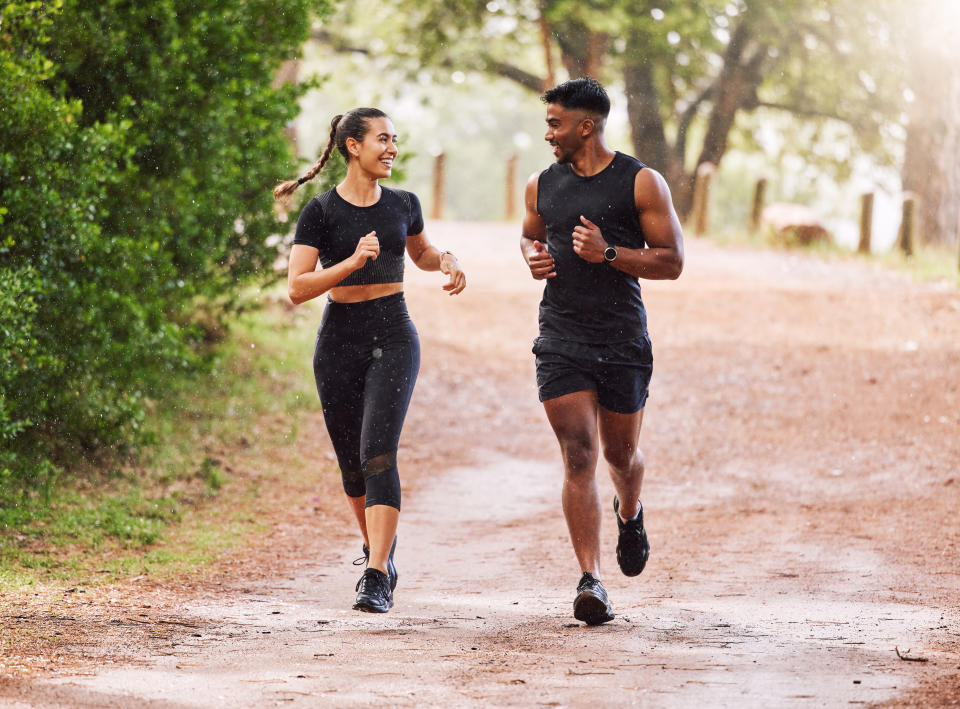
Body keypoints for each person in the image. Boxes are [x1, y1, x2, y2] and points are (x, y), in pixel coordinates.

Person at [274, 107, 466, 613]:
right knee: (352, 467)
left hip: (394, 334)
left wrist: (444, 259)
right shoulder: (320, 211)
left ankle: (377, 573)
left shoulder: (403, 202)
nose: (392, 149)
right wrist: (353, 263)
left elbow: (419, 253)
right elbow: (297, 288)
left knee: (378, 451)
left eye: (395, 140)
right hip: (338, 338)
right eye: (382, 139)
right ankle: (378, 549)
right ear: (352, 146)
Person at [519, 78, 683, 625]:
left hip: (621, 338)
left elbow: (672, 261)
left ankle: (630, 511)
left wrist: (609, 252)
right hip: (561, 335)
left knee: (619, 456)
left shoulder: (641, 182)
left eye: (555, 124)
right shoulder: (541, 185)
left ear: (585, 126)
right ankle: (591, 580)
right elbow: (529, 234)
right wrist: (532, 254)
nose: (548, 134)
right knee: (579, 453)